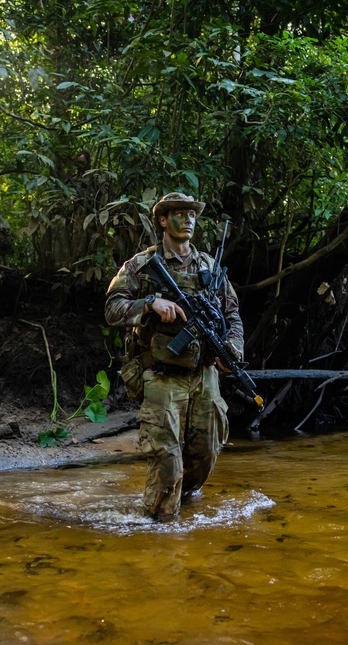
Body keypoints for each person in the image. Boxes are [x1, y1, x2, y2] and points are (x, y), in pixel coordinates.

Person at [105, 192, 245, 520]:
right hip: (161, 373)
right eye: (180, 214)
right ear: (163, 221)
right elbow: (112, 308)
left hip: (204, 374)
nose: (188, 220)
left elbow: (233, 315)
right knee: (167, 461)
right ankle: (157, 526)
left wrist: (232, 350)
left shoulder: (211, 267)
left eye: (192, 214)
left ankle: (185, 508)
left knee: (206, 452)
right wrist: (149, 304)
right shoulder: (141, 264)